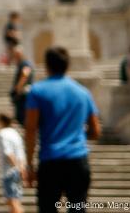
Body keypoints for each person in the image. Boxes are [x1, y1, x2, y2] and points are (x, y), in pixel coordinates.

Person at [24, 46, 101, 213]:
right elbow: (96, 131)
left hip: (50, 162)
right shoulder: (83, 92)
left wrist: (30, 165)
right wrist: (77, 134)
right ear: (68, 65)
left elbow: (30, 130)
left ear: (46, 65)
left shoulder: (37, 91)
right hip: (78, 161)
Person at [0, 113, 25, 213]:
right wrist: (21, 168)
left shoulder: (2, 133)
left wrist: (16, 167)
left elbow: (8, 152)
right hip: (18, 168)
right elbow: (20, 153)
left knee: (12, 200)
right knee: (15, 199)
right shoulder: (15, 133)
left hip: (9, 171)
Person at [10, 44, 35, 127]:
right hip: (22, 95)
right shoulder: (21, 64)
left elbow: (25, 73)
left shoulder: (25, 63)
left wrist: (18, 88)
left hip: (23, 95)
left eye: (16, 54)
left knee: (22, 118)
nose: (15, 56)